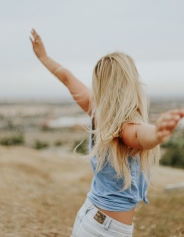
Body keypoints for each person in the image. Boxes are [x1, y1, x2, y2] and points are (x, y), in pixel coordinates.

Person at [30, 29, 184, 237]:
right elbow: (139, 135)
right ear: (131, 84)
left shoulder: (98, 112)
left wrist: (44, 57)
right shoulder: (124, 127)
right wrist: (157, 133)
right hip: (104, 230)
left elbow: (66, 78)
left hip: (91, 218)